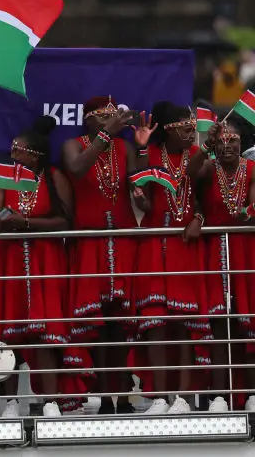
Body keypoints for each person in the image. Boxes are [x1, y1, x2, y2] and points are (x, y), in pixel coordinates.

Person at [62, 96, 150, 415]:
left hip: (124, 243)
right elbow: (76, 168)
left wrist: (141, 147)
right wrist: (105, 135)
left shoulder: (124, 148)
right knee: (96, 324)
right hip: (89, 245)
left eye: (114, 117)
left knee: (122, 323)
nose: (110, 121)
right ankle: (102, 398)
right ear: (88, 120)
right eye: (103, 117)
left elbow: (142, 187)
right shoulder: (73, 145)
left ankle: (125, 396)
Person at [0, 116, 76, 418]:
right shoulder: (3, 179)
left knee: (45, 331)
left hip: (46, 262)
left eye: (18, 151)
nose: (12, 155)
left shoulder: (54, 177)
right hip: (11, 263)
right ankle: (10, 404)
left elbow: (64, 221)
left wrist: (24, 223)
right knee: (9, 332)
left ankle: (50, 401)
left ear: (35, 155)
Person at [133, 102, 208, 415]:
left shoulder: (197, 156)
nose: (190, 129)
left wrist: (199, 217)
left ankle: (184, 399)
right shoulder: (148, 156)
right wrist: (141, 199)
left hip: (186, 245)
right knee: (157, 324)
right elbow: (144, 204)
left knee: (184, 324)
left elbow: (204, 191)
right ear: (167, 129)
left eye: (192, 124)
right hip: (154, 245)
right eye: (183, 125)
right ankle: (160, 397)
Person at [189, 118, 255, 411]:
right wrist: (206, 146)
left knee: (248, 321)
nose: (228, 146)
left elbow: (251, 208)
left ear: (243, 144)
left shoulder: (252, 169)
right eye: (222, 141)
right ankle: (218, 395)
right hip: (213, 251)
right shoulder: (208, 168)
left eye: (234, 140)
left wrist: (245, 213)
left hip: (247, 251)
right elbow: (189, 175)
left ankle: (252, 393)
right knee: (218, 322)